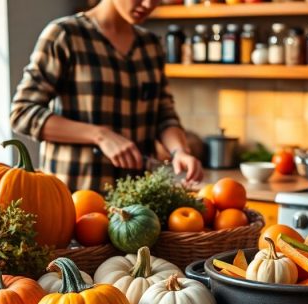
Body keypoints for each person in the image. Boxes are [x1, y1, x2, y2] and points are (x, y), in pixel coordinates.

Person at [10, 0, 203, 192]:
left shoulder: (151, 45)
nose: (148, 4)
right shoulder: (65, 35)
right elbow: (22, 113)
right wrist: (100, 135)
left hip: (136, 200)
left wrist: (180, 151)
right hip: (73, 196)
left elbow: (165, 115)